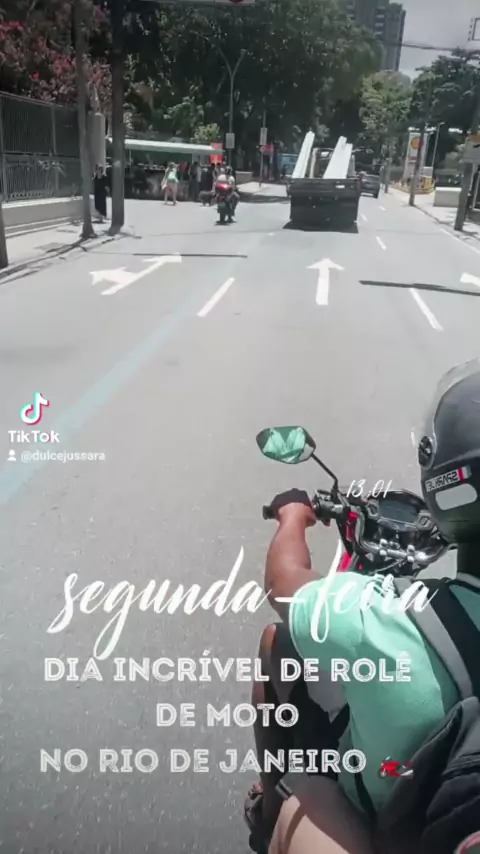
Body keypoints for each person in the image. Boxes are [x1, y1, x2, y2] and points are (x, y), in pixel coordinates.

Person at [245, 359, 480, 854]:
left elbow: (284, 583)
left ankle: (269, 815)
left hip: (400, 836)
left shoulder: (387, 621)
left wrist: (293, 515)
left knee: (278, 650)